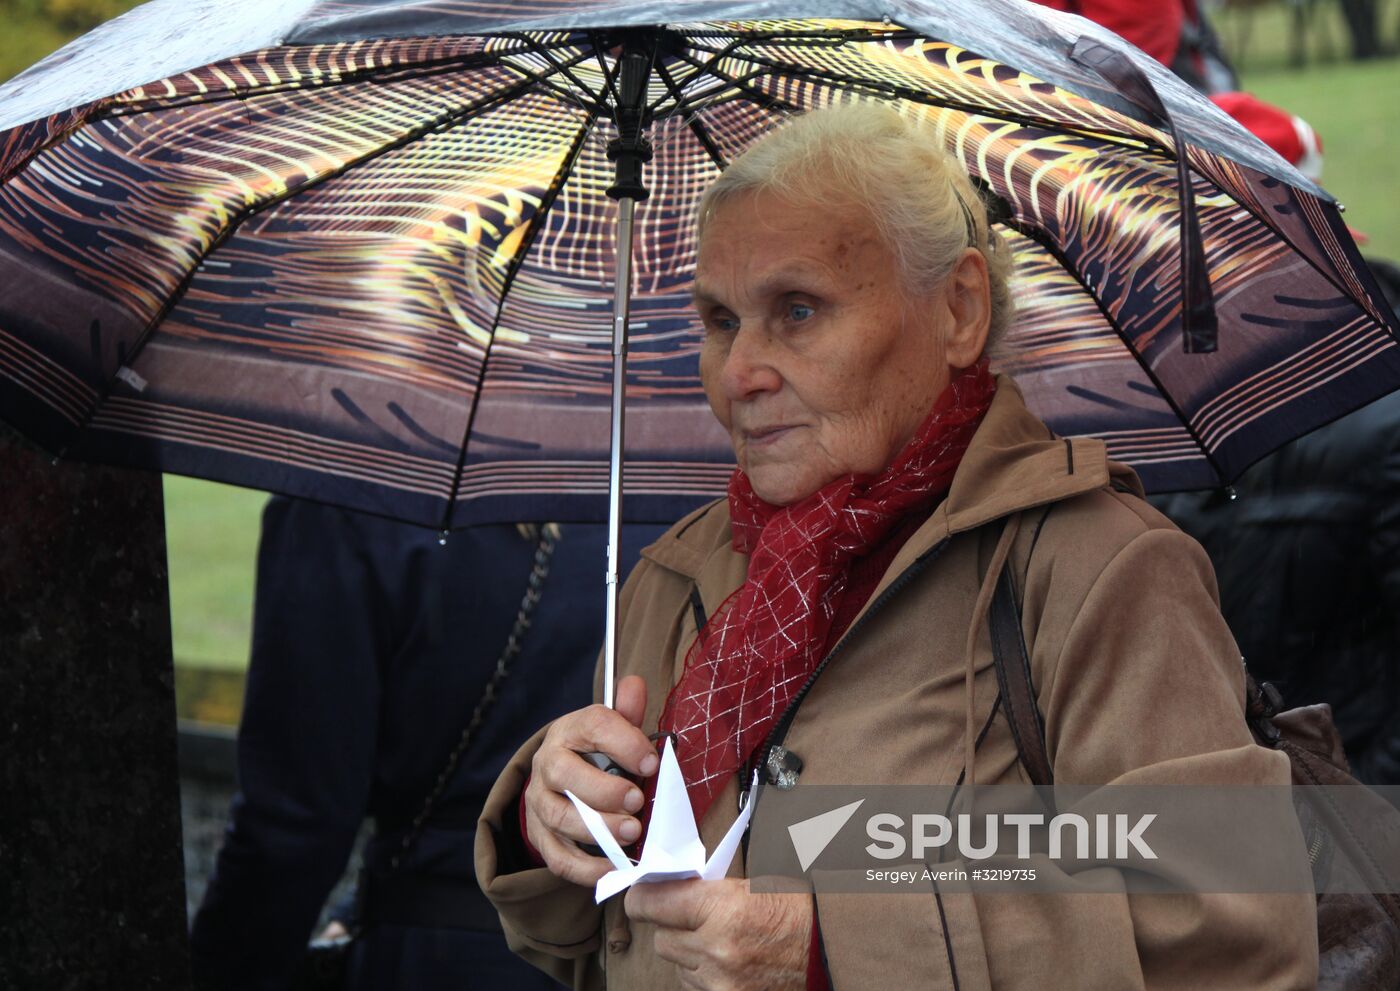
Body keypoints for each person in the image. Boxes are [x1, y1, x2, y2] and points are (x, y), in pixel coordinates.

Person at [474, 104, 1317, 989]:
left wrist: (832, 949)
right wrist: (560, 815)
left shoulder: (1100, 570)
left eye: (797, 310)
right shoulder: (682, 572)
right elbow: (603, 944)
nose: (737, 375)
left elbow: (1233, 937)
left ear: (957, 308)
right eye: (720, 320)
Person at [189, 499, 663, 990]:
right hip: (638, 953)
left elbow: (293, 822)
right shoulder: (667, 485)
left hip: (437, 952)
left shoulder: (352, 497)